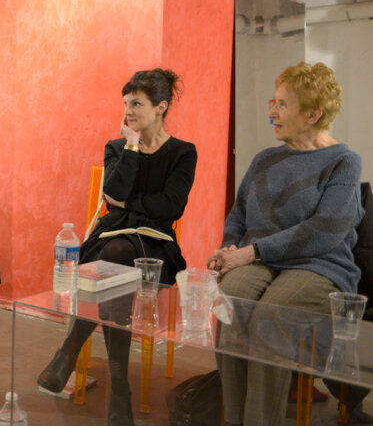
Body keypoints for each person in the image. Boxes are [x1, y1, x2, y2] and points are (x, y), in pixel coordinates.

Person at [37, 69, 197, 425]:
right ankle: (120, 388)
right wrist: (131, 147)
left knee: (114, 264)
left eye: (137, 104)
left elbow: (171, 207)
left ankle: (71, 352)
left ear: (161, 107)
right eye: (126, 104)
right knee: (114, 260)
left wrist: (127, 203)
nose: (128, 111)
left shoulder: (184, 152)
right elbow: (114, 194)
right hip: (112, 236)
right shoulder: (117, 146)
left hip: (156, 245)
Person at [207, 62, 363, 426]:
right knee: (231, 301)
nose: (271, 113)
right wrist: (230, 250)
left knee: (270, 316)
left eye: (282, 105)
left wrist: (251, 251)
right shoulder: (264, 159)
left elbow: (325, 231)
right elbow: (239, 216)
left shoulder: (344, 161)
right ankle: (234, 419)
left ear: (313, 114)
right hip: (259, 259)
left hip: (320, 264)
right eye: (272, 102)